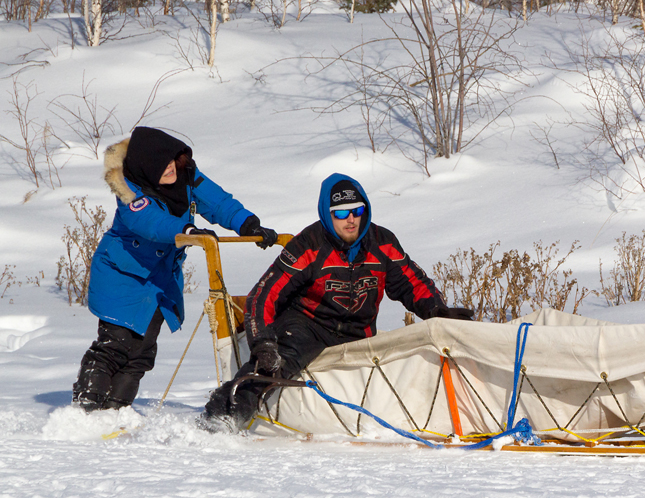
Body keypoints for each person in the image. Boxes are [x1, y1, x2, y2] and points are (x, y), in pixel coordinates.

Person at [202, 172, 473, 430]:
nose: (351, 219)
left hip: (360, 331)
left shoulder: (383, 243)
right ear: (327, 214)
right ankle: (224, 415)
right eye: (341, 213)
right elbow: (264, 295)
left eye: (357, 211)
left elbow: (412, 283)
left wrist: (438, 311)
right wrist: (262, 342)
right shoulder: (308, 244)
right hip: (308, 325)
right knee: (276, 363)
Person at [72, 126, 279, 411]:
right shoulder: (131, 193)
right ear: (145, 169)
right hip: (121, 277)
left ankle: (114, 413)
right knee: (115, 347)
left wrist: (248, 224)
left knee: (142, 354)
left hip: (158, 282)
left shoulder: (187, 177)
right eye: (161, 167)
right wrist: (187, 229)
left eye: (171, 162)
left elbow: (218, 202)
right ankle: (86, 410)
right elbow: (151, 222)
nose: (170, 170)